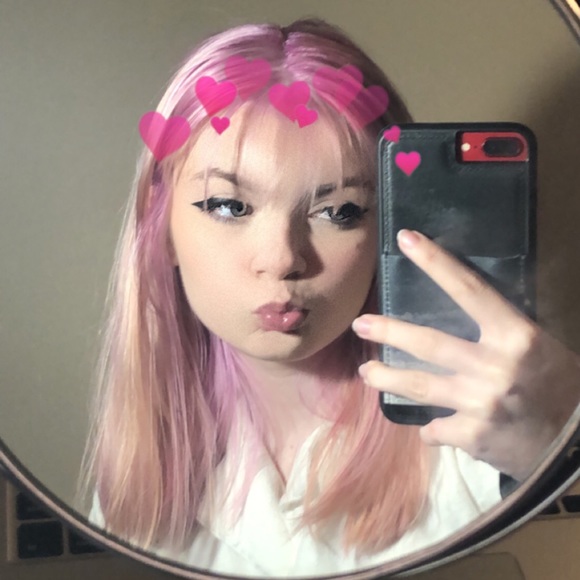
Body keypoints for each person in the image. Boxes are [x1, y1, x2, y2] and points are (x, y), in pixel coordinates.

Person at [80, 18, 580, 577]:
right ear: (162, 230)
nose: (282, 259)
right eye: (229, 206)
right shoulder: (135, 486)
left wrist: (565, 434)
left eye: (339, 211)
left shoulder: (483, 438)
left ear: (388, 222)